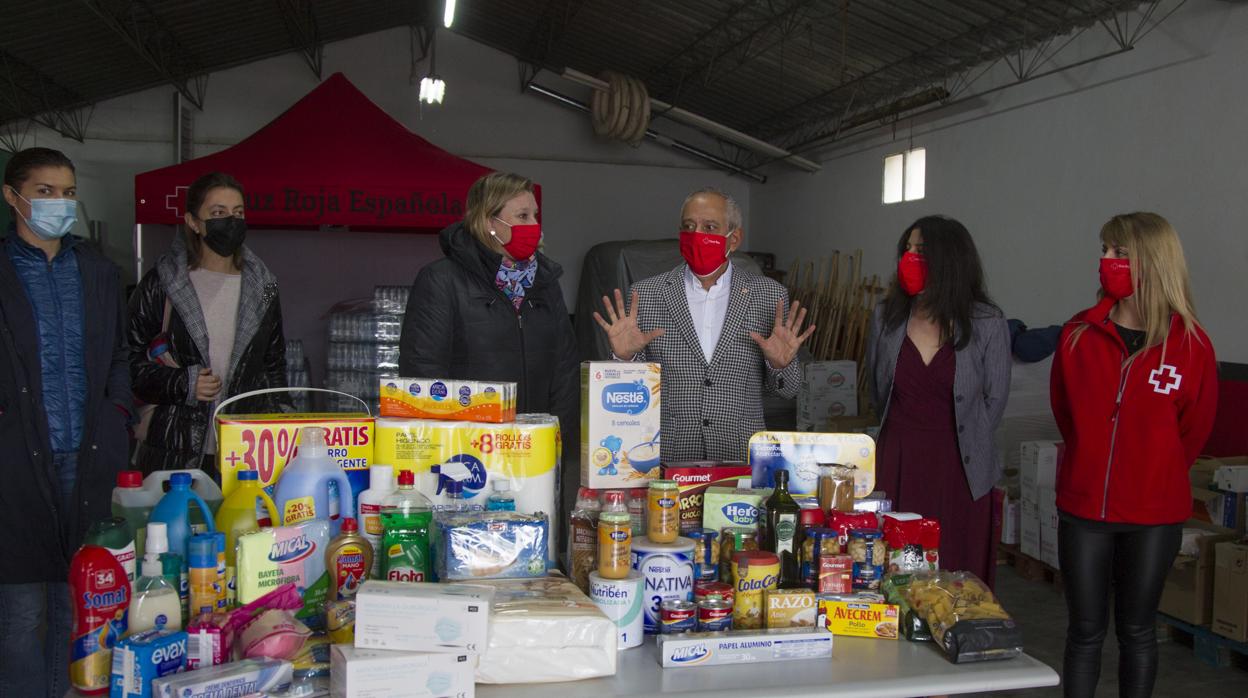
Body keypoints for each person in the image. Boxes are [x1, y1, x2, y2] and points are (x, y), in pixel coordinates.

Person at [1051, 212, 1217, 698]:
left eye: (1119, 252)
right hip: (1085, 512)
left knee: (1138, 632)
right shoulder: (1078, 336)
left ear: (1153, 260)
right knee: (1084, 633)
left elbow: (1193, 432)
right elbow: (1067, 414)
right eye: (1105, 250)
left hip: (1153, 515)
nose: (1106, 261)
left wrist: (1151, 472)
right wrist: (1093, 463)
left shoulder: (1191, 346)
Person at [0, 147, 133, 697]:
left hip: (87, 455)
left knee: (76, 600)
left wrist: (118, 415)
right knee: (20, 611)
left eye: (69, 192)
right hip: (16, 458)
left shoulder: (99, 272)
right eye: (46, 192)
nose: (60, 203)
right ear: (14, 197)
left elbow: (120, 356)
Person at [398, 172, 580, 520]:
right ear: (489, 222)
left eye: (535, 215)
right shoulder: (441, 280)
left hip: (534, 456)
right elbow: (422, 374)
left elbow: (565, 370)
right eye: (522, 216)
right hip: (466, 460)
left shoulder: (545, 284)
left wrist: (556, 445)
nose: (534, 225)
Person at [593, 187, 813, 463]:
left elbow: (787, 391)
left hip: (740, 456)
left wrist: (780, 366)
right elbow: (629, 396)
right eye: (689, 226)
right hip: (668, 457)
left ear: (734, 238)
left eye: (710, 227)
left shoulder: (768, 296)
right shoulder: (646, 295)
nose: (697, 235)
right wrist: (624, 359)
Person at [866, 215, 1010, 586]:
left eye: (922, 251)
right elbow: (876, 388)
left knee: (954, 569)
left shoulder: (987, 321)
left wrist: (966, 438)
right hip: (898, 461)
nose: (910, 258)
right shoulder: (887, 316)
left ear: (949, 260)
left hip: (960, 469)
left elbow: (994, 400)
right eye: (907, 250)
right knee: (899, 563)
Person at [129, 172, 288, 478]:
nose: (230, 221)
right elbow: (129, 361)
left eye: (237, 212)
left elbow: (274, 361)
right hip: (177, 447)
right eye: (218, 213)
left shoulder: (264, 286)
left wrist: (283, 417)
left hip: (247, 451)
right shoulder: (163, 282)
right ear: (193, 222)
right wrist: (183, 383)